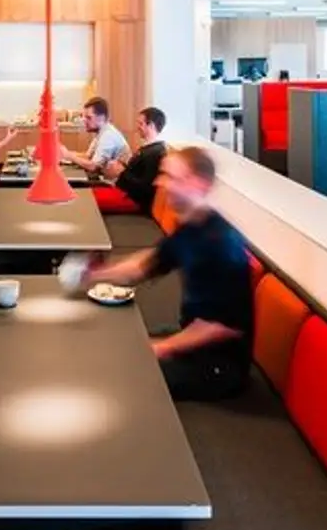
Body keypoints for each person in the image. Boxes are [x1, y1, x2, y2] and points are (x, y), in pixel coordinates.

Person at [84, 146, 253, 401]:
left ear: (198, 183)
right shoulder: (192, 227)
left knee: (115, 375)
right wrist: (95, 274)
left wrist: (162, 347)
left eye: (170, 177)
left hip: (218, 367)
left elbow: (221, 327)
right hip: (192, 345)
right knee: (108, 345)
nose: (158, 182)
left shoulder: (220, 244)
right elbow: (146, 265)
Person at [94, 106, 168, 215]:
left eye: (141, 123)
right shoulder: (149, 149)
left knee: (85, 199)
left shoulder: (156, 153)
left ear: (151, 125)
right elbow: (135, 173)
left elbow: (145, 189)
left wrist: (121, 172)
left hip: (133, 199)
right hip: (124, 192)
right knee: (84, 195)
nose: (138, 127)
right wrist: (120, 167)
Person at [61, 96, 130, 174]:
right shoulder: (101, 132)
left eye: (89, 118)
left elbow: (93, 166)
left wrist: (69, 156)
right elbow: (88, 156)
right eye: (84, 117)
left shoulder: (108, 136)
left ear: (102, 117)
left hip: (114, 180)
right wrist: (65, 153)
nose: (84, 121)